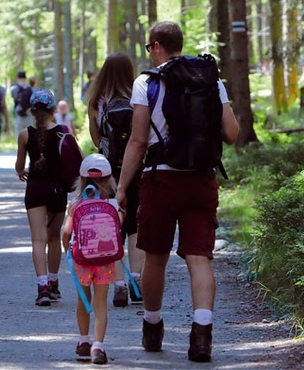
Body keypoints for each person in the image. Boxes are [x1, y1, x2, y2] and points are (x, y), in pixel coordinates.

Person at [115, 21, 240, 362]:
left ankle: (153, 328)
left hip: (161, 179)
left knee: (155, 256)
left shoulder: (147, 82)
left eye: (148, 47)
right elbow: (231, 133)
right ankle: (202, 336)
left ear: (156, 45)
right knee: (199, 258)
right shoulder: (210, 77)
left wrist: (123, 188)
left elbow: (138, 140)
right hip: (201, 179)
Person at [86, 52, 145, 308]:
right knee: (135, 224)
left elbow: (97, 139)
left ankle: (119, 284)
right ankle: (136, 279)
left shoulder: (97, 102)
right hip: (138, 169)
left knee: (112, 227)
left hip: (108, 173)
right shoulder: (138, 97)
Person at [61, 154, 121, 365]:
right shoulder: (112, 205)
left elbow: (66, 233)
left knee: (83, 299)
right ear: (109, 180)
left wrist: (66, 250)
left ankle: (83, 340)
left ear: (82, 180)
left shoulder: (76, 206)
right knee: (101, 302)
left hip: (82, 260)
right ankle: (99, 345)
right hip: (105, 261)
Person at [15, 89, 67, 307]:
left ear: (32, 111)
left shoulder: (25, 134)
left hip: (35, 188)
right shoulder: (63, 132)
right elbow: (71, 161)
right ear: (53, 110)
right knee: (54, 238)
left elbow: (19, 166)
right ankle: (54, 282)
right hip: (57, 189)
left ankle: (42, 286)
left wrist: (21, 171)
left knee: (38, 239)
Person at [10, 69, 35, 137]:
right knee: (30, 136)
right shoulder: (31, 88)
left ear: (17, 77)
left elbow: (14, 99)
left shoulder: (13, 89)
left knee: (19, 136)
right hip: (29, 114)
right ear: (25, 77)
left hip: (18, 114)